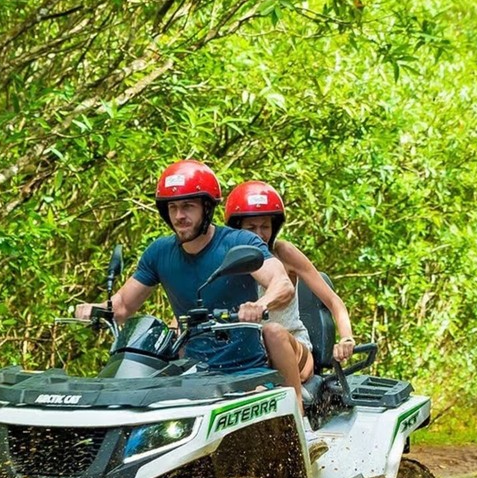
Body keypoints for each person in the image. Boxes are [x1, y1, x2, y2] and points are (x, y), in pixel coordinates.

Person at [75, 160, 304, 401]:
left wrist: (260, 305)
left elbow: (282, 283)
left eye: (188, 206)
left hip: (245, 373)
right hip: (191, 375)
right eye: (172, 207)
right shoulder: (159, 253)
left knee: (261, 406)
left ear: (206, 208)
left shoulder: (239, 242)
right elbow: (122, 306)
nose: (179, 216)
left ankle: (299, 419)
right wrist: (95, 309)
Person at [224, 181, 356, 392]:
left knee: (273, 333)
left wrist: (346, 338)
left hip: (293, 349)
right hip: (247, 355)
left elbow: (333, 301)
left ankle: (296, 408)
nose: (259, 234)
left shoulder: (284, 253)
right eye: (251, 228)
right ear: (237, 229)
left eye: (265, 227)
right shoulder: (226, 260)